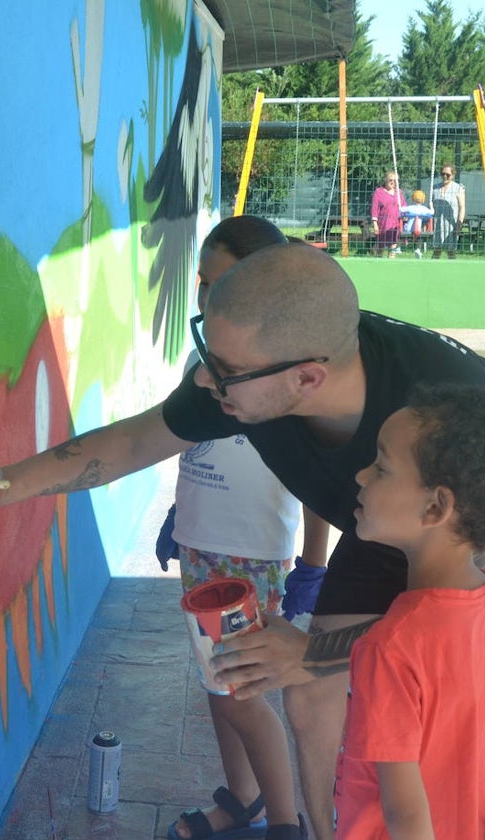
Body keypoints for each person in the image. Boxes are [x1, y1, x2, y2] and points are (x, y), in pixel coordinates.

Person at [0, 242, 485, 840]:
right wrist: (8, 484)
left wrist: (320, 650)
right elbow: (134, 440)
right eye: (208, 353)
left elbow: (461, 630)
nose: (207, 382)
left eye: (226, 370)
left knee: (475, 696)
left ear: (307, 379)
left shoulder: (433, 441)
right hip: (383, 513)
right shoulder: (253, 378)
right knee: (305, 685)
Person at [158, 216, 326, 840]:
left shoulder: (284, 372)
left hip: (250, 560)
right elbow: (190, 442)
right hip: (203, 547)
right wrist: (182, 517)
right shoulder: (201, 362)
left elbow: (315, 479)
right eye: (201, 283)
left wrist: (313, 561)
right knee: (215, 681)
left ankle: (285, 823)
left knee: (243, 694)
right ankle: (243, 799)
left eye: (220, 284)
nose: (207, 299)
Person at [335, 383, 485, 838]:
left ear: (436, 507)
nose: (361, 476)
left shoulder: (390, 648)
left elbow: (406, 815)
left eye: (380, 468)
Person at [431, 164, 466, 259]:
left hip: (451, 224)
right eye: (443, 174)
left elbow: (462, 207)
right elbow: (431, 206)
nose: (445, 176)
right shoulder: (435, 188)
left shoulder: (458, 188)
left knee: (451, 251)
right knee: (436, 250)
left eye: (448, 174)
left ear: (453, 175)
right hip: (438, 223)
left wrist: (459, 223)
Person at [368, 172, 404, 258]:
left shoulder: (399, 193)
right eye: (391, 180)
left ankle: (391, 265)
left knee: (393, 246)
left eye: (395, 181)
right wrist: (375, 224)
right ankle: (379, 262)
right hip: (383, 224)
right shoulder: (379, 192)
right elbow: (374, 209)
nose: (393, 182)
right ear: (386, 180)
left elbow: (404, 206)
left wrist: (405, 215)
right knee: (380, 247)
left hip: (395, 224)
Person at [398, 189, 434, 258]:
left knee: (402, 235)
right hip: (417, 230)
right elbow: (432, 212)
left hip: (408, 229)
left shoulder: (411, 207)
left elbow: (400, 209)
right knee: (420, 238)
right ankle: (418, 249)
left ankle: (398, 247)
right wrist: (431, 205)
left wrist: (399, 205)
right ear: (423, 200)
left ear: (412, 199)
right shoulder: (424, 209)